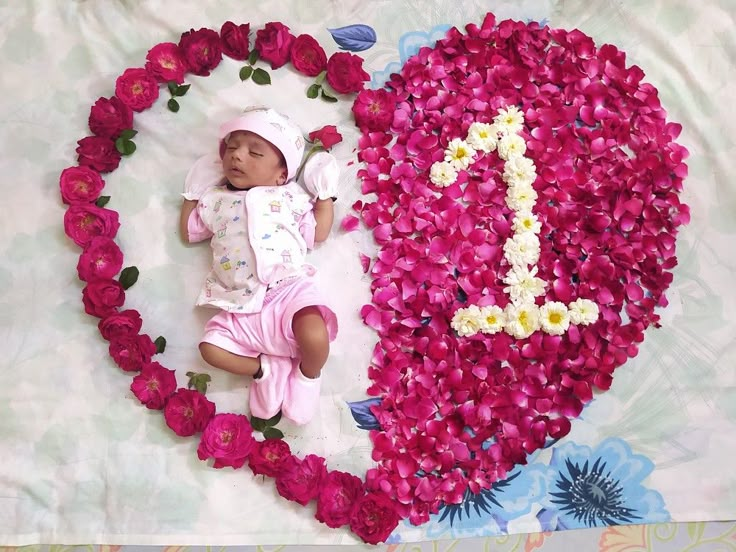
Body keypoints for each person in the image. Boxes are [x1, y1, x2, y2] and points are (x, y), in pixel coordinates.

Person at [179, 106, 340, 425]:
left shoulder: (291, 196)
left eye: (254, 152)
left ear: (281, 174)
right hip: (238, 302)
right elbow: (190, 231)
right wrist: (193, 193)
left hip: (287, 292)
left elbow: (317, 233)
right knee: (210, 349)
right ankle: (264, 368)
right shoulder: (215, 199)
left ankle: (308, 375)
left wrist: (324, 197)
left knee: (315, 336)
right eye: (232, 147)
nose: (238, 156)